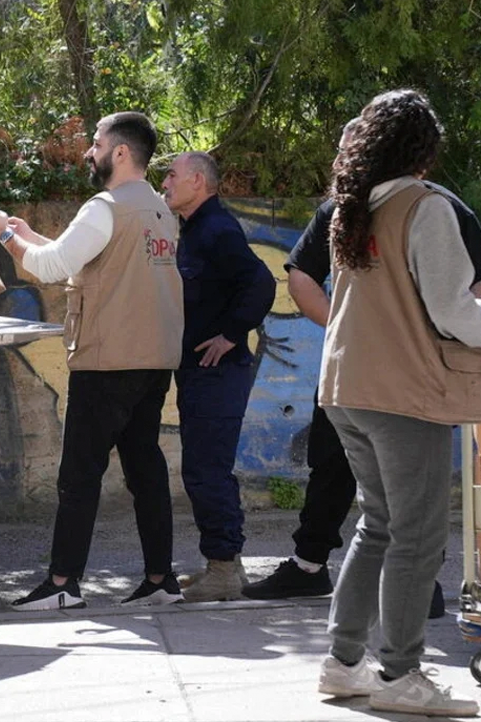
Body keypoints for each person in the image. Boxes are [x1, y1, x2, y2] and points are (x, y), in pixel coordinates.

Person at [244, 115, 481, 619]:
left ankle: (355, 645)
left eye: (351, 147)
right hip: (387, 380)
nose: (343, 157)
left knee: (386, 519)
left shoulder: (421, 207)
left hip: (375, 378)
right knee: (395, 511)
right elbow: (302, 277)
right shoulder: (360, 209)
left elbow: (467, 288)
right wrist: (353, 327)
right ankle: (371, 626)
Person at [313, 89, 480, 716]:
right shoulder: (424, 206)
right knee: (417, 536)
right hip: (403, 392)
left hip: (347, 386)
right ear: (424, 148)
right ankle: (401, 674)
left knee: (379, 525)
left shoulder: (351, 208)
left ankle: (343, 663)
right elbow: (453, 310)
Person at [0, 112, 185, 609]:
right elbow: (82, 258)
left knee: (79, 477)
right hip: (153, 360)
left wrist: (3, 235)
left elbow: (51, 269)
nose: (89, 152)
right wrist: (29, 234)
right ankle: (161, 581)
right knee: (146, 471)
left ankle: (63, 583)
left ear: (120, 152)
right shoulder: (160, 211)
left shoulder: (105, 207)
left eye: (96, 143)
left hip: (106, 360)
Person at [159, 152, 275, 602]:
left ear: (197, 181)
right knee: (206, 469)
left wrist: (230, 333)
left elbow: (261, 283)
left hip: (218, 373)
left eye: (172, 175)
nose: (165, 183)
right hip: (201, 373)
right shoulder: (195, 228)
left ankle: (223, 569)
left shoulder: (217, 229)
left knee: (206, 471)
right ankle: (227, 566)